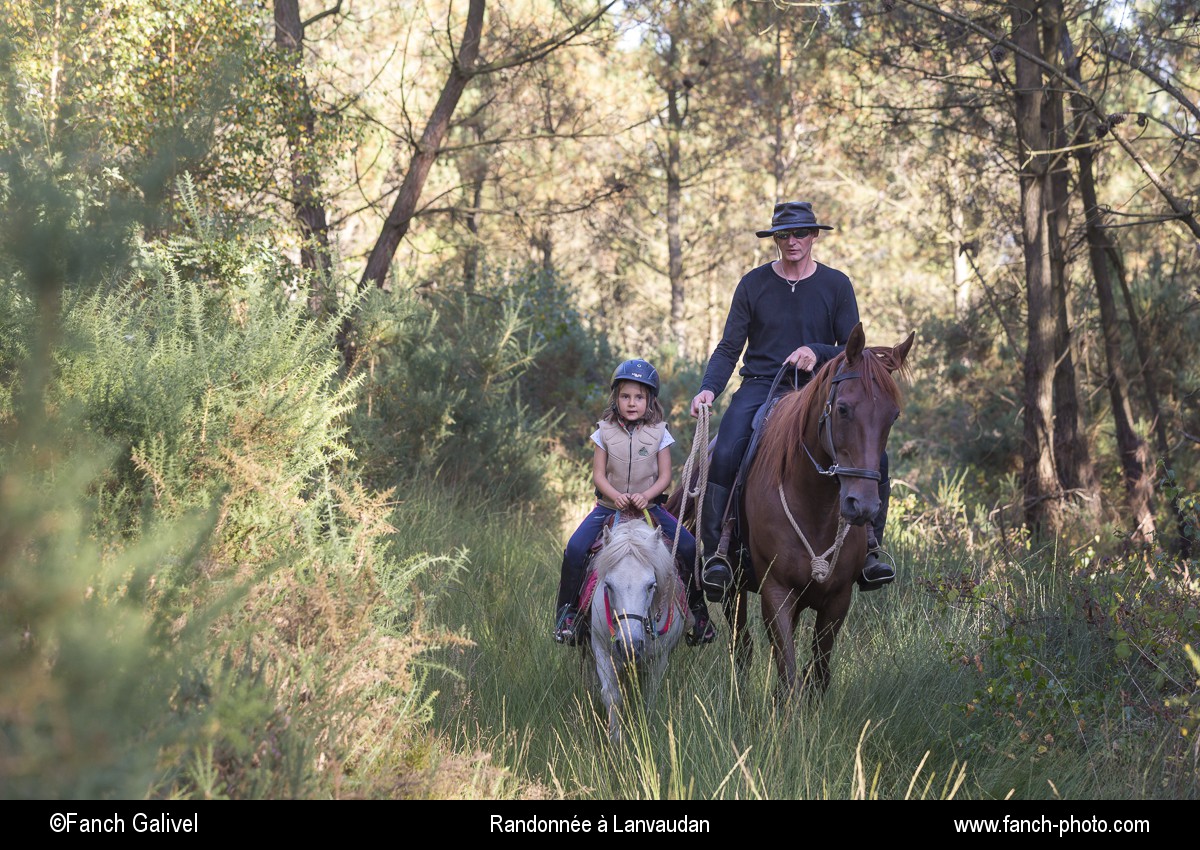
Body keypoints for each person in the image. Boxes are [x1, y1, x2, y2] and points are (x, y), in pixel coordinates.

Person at [689, 201, 896, 601]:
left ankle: (871, 547)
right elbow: (730, 347)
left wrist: (816, 351)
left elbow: (851, 348)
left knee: (876, 455)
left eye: (800, 233)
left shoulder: (837, 285)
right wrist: (708, 388)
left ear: (814, 236)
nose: (792, 242)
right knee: (729, 446)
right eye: (784, 235)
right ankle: (719, 553)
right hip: (762, 384)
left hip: (819, 388)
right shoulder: (753, 284)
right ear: (775, 240)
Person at [554, 358, 715, 647]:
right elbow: (599, 475)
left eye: (639, 397)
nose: (632, 403)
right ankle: (568, 615)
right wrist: (615, 496)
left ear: (649, 400)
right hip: (608, 507)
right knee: (575, 549)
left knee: (689, 546)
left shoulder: (660, 433)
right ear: (615, 398)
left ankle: (698, 614)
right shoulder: (603, 432)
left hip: (649, 508)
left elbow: (665, 476)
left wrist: (648, 495)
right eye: (625, 396)